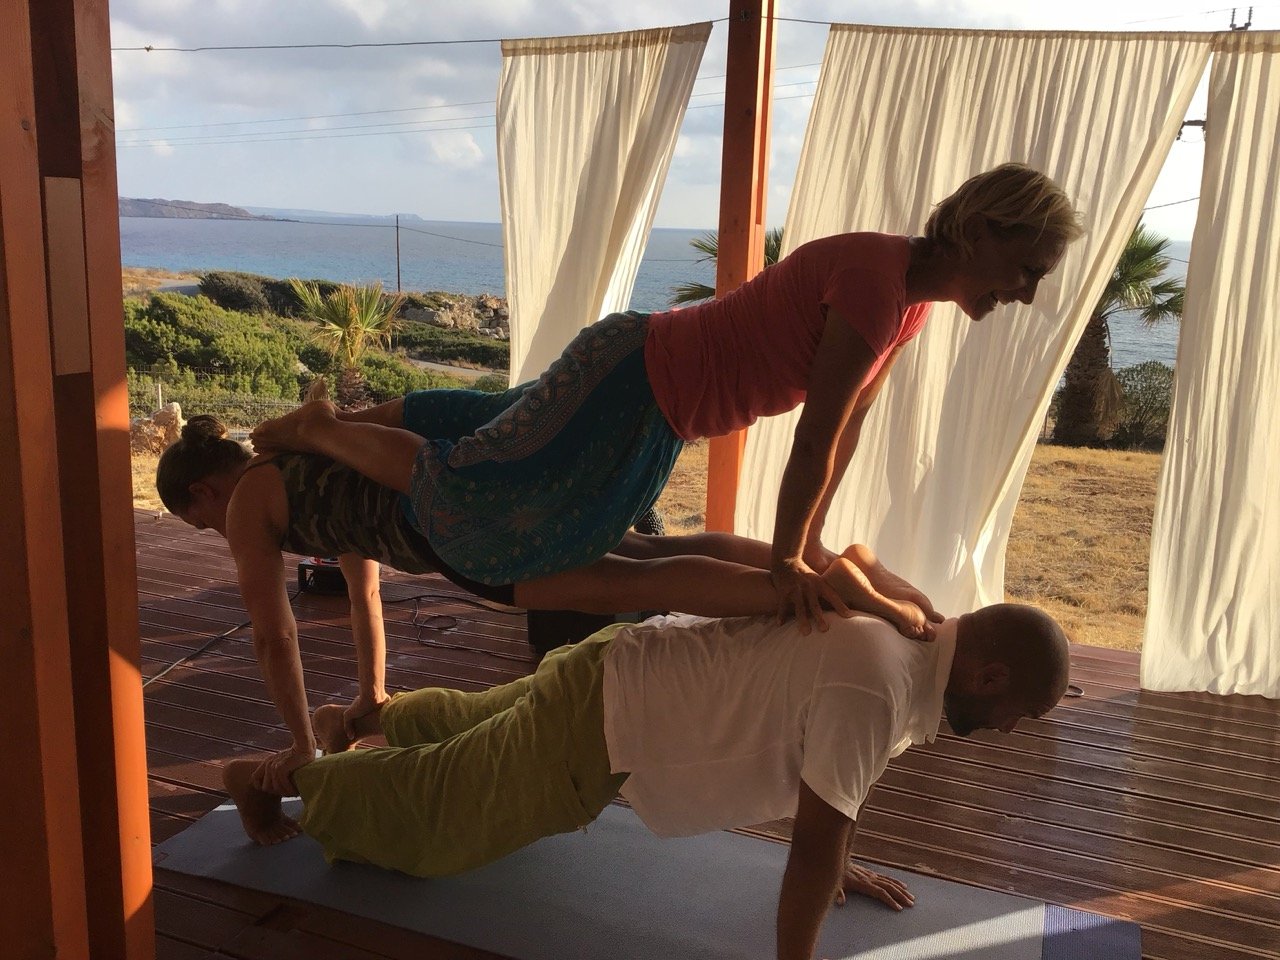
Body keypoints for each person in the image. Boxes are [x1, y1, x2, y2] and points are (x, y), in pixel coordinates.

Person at [250, 163, 1082, 632]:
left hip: (654, 400)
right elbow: (817, 436)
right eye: (1027, 269)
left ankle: (327, 424)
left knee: (490, 433)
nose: (1027, 292)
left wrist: (809, 542)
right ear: (983, 231)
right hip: (636, 381)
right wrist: (790, 559)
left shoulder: (906, 302)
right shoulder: (875, 283)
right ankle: (322, 429)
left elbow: (849, 429)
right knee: (472, 492)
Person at [222, 601, 1071, 960]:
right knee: (438, 820)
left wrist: (841, 860)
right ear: (990, 677)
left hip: (619, 661)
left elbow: (831, 794)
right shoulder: (880, 689)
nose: (1009, 732)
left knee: (480, 723)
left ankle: (364, 719)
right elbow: (815, 844)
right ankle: (287, 778)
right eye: (1019, 715)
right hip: (602, 726)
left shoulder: (904, 643)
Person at [157, 416, 941, 794]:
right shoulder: (300, 461)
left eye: (201, 522)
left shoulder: (249, 500)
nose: (217, 534)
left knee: (632, 585)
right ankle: (816, 568)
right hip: (476, 495)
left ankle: (806, 590)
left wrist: (301, 746)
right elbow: (364, 584)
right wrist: (370, 693)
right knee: (646, 555)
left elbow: (273, 636)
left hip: (467, 536)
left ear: (205, 490)